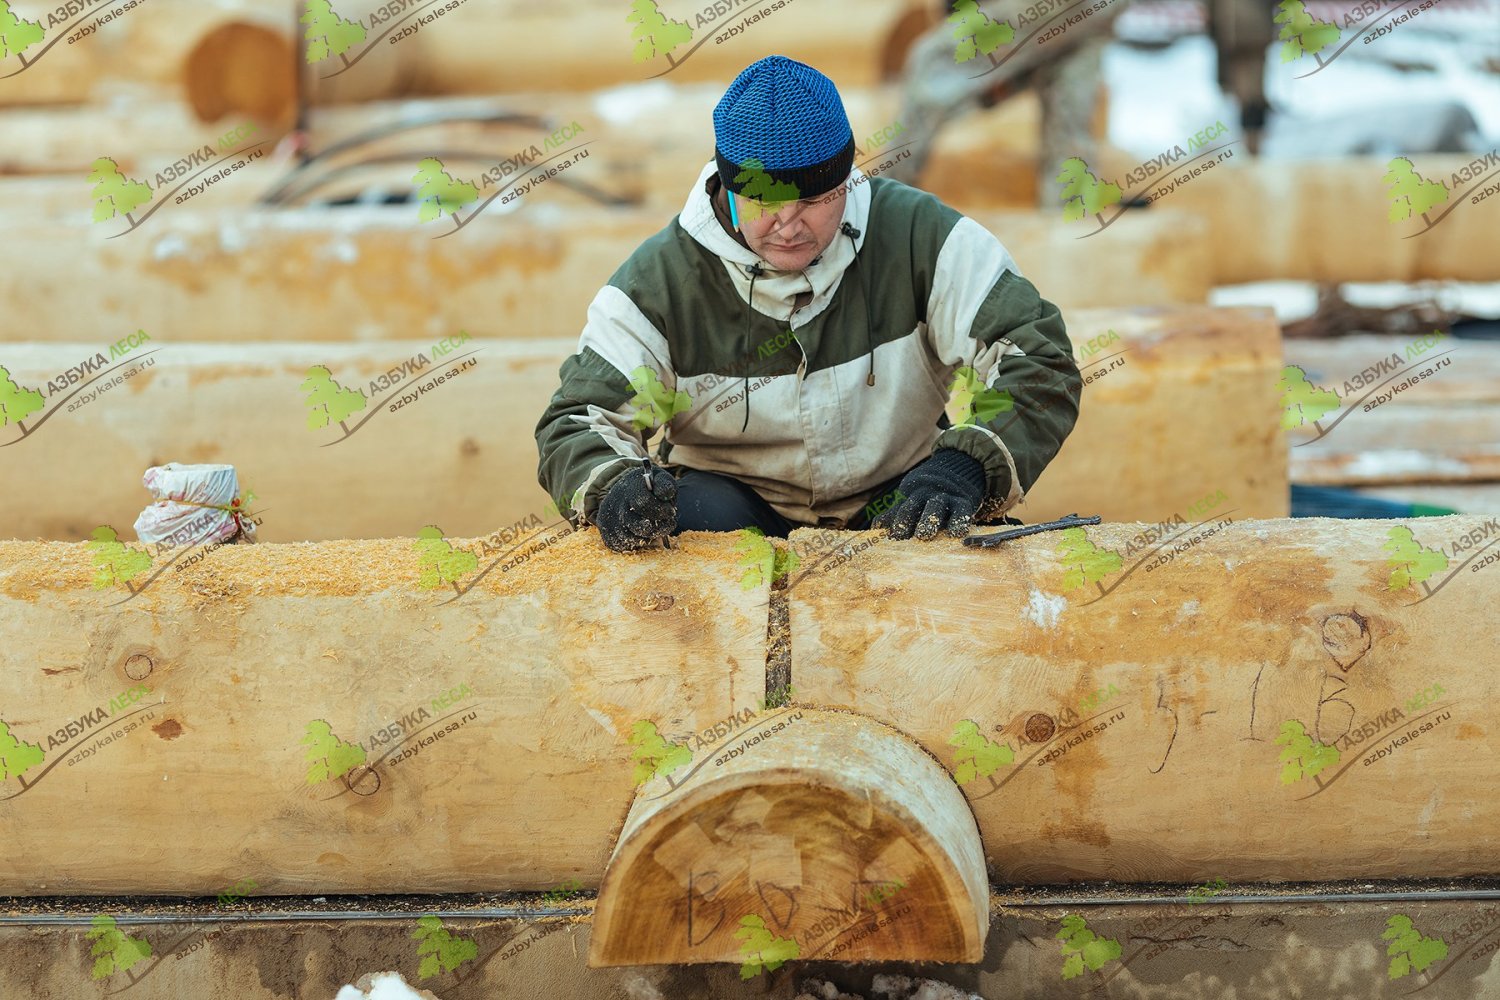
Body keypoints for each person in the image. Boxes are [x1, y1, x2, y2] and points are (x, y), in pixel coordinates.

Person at [536, 55, 1080, 552]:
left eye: (818, 199)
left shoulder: (922, 237)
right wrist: (612, 485)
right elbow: (578, 420)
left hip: (897, 495)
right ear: (728, 187)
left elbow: (1038, 357)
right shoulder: (660, 281)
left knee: (944, 539)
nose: (790, 225)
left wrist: (967, 464)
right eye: (765, 201)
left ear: (846, 179)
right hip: (727, 503)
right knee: (686, 526)